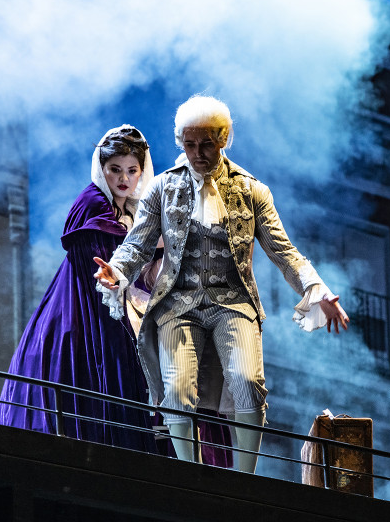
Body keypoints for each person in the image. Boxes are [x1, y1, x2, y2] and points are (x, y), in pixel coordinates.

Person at [94, 95, 350, 473]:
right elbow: (139, 243)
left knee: (248, 381)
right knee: (177, 389)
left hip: (233, 301)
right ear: (181, 142)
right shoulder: (162, 188)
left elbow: (285, 252)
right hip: (177, 303)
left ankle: (244, 476)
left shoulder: (252, 191)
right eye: (190, 144)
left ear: (224, 138)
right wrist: (116, 272)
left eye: (207, 144)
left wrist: (318, 290)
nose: (198, 153)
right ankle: (191, 473)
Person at [0, 124, 160, 451]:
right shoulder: (92, 203)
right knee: (87, 382)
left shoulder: (141, 210)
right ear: (102, 168)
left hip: (128, 312)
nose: (123, 179)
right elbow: (96, 263)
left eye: (131, 171)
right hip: (88, 309)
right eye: (115, 170)